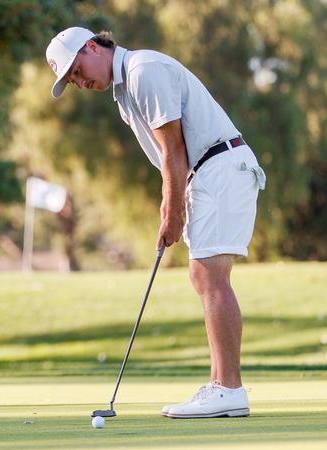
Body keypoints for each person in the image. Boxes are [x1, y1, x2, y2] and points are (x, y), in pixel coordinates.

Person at [46, 27, 266, 419]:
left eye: (76, 69)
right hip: (210, 172)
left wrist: (172, 211)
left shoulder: (144, 71)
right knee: (203, 277)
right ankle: (220, 385)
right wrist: (176, 204)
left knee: (210, 277)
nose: (78, 81)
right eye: (71, 79)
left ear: (92, 47)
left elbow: (173, 150)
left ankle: (229, 389)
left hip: (220, 166)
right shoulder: (125, 90)